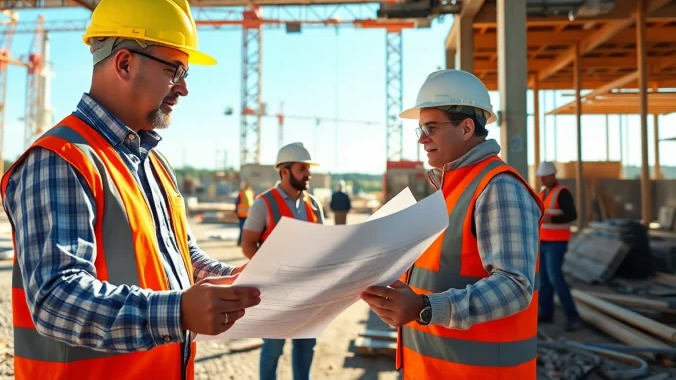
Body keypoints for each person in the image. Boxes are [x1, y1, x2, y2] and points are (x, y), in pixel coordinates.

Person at [1, 0, 261, 380]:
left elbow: (180, 259)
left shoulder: (153, 164)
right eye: (174, 69)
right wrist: (177, 312)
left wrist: (233, 281)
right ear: (124, 64)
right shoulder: (61, 160)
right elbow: (56, 299)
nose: (184, 87)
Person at [360, 69, 544, 379]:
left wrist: (424, 308)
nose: (421, 138)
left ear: (467, 127)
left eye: (430, 127)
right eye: (420, 128)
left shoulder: (497, 187)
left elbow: (515, 286)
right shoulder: (451, 190)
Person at [240, 142, 325, 380]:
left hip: (308, 290)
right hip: (275, 290)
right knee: (273, 349)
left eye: (308, 169)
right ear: (284, 171)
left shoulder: (314, 205)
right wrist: (270, 271)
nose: (308, 174)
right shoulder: (263, 204)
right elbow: (248, 244)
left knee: (306, 345)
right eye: (302, 168)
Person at [535, 160, 580, 331]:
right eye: (541, 177)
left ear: (552, 176)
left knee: (555, 278)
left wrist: (552, 219)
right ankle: (546, 313)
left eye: (544, 177)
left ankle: (572, 316)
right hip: (543, 241)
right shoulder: (543, 193)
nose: (542, 180)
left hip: (557, 242)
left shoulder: (562, 193)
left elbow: (572, 215)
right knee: (544, 280)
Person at [235, 180, 254, 246]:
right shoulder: (248, 193)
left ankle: (241, 242)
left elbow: (237, 203)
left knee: (244, 229)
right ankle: (241, 242)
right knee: (243, 229)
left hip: (246, 214)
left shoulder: (246, 193)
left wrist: (236, 211)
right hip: (245, 214)